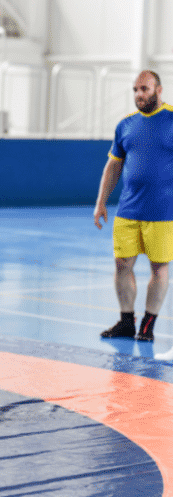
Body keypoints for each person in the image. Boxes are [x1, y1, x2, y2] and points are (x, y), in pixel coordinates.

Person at [94, 70, 173, 344]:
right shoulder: (126, 124)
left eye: (145, 89)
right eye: (136, 90)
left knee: (159, 268)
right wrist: (101, 202)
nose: (140, 94)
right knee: (122, 264)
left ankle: (148, 325)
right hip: (128, 210)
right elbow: (114, 165)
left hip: (164, 213)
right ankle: (127, 322)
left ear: (158, 90)